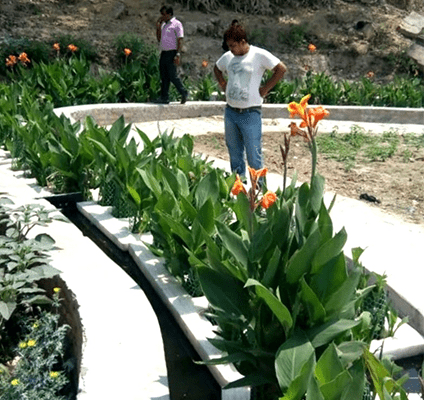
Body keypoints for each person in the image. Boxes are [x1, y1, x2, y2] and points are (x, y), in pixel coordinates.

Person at [214, 23, 286, 179]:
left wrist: (265, 89)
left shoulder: (258, 55)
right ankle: (239, 187)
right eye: (229, 46)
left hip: (250, 113)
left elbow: (281, 69)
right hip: (231, 112)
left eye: (233, 45)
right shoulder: (228, 57)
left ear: (242, 42)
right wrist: (223, 84)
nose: (231, 49)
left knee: (254, 153)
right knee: (234, 151)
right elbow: (217, 68)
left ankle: (259, 190)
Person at [155, 5, 188, 104]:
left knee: (172, 75)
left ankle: (183, 92)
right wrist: (158, 28)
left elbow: (180, 40)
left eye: (164, 14)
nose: (162, 17)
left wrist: (178, 54)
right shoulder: (164, 25)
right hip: (164, 52)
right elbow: (159, 39)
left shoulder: (177, 24)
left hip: (172, 52)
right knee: (164, 75)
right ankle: (164, 97)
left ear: (169, 14)